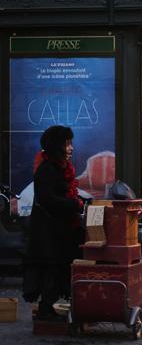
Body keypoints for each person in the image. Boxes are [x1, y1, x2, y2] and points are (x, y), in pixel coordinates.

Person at [23, 126, 84, 322]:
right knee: (51, 269)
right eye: (67, 144)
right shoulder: (47, 169)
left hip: (58, 229)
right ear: (57, 146)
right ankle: (45, 310)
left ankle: (48, 307)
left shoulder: (58, 167)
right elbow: (46, 198)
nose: (71, 148)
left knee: (57, 267)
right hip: (48, 231)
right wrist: (73, 204)